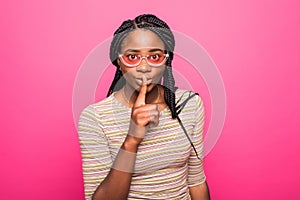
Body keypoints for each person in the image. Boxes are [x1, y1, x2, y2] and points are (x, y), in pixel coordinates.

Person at [78, 14, 211, 200]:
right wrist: (132, 140)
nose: (144, 67)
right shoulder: (95, 118)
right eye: (132, 57)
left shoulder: (190, 105)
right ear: (119, 61)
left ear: (166, 60)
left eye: (154, 56)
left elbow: (196, 182)